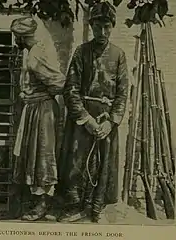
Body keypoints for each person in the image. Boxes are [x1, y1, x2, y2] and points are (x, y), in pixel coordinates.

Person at [58, 1, 129, 223]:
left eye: (107, 26)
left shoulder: (119, 55)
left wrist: (111, 122)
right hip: (84, 119)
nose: (102, 32)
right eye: (98, 26)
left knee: (103, 164)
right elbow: (70, 89)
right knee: (76, 162)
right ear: (92, 26)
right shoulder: (81, 52)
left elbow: (123, 93)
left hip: (106, 121)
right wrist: (85, 119)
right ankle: (74, 207)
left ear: (112, 27)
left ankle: (97, 208)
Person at [10, 16, 66, 221]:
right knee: (30, 155)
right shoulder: (29, 52)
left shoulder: (37, 54)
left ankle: (43, 204)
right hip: (33, 108)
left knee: (42, 155)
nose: (16, 40)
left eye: (18, 37)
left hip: (43, 109)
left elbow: (60, 82)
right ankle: (34, 201)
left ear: (24, 37)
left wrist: (42, 94)